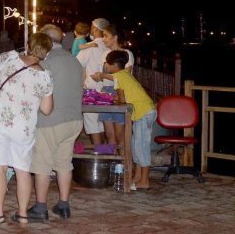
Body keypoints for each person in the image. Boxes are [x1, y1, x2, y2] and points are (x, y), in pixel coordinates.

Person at [0, 33, 53, 228]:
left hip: (0, 122)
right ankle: (22, 214)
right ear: (46, 52)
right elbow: (47, 109)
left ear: (28, 45)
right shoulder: (44, 76)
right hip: (24, 127)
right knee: (22, 171)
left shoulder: (11, 58)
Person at [27, 25, 84, 222]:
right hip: (75, 120)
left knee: (42, 164)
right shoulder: (74, 60)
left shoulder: (46, 61)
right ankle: (63, 205)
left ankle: (40, 207)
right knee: (63, 162)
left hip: (51, 121)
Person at [103, 50, 156, 190]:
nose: (105, 66)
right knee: (135, 144)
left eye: (107, 64)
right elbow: (125, 97)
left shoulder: (118, 76)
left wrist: (112, 100)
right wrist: (115, 99)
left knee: (141, 146)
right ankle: (138, 177)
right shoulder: (125, 74)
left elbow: (121, 100)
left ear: (114, 65)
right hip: (144, 111)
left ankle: (145, 181)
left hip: (143, 112)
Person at [76, 18, 110, 146]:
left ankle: (100, 159)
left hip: (91, 90)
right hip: (107, 90)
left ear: (95, 29)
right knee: (104, 126)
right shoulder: (109, 47)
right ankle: (106, 156)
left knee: (93, 127)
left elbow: (76, 65)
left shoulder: (89, 48)